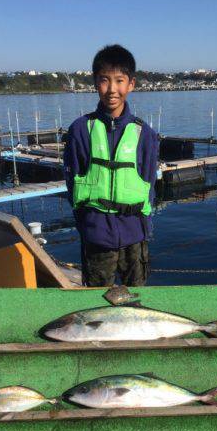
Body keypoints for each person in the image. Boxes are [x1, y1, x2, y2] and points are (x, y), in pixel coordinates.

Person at [64, 44, 159, 287]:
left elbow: (149, 184)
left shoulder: (144, 133)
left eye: (120, 81)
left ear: (131, 84)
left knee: (137, 302)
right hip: (96, 235)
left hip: (134, 235)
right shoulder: (80, 130)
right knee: (97, 303)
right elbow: (72, 184)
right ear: (96, 82)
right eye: (105, 80)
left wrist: (145, 229)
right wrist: (86, 227)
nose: (112, 89)